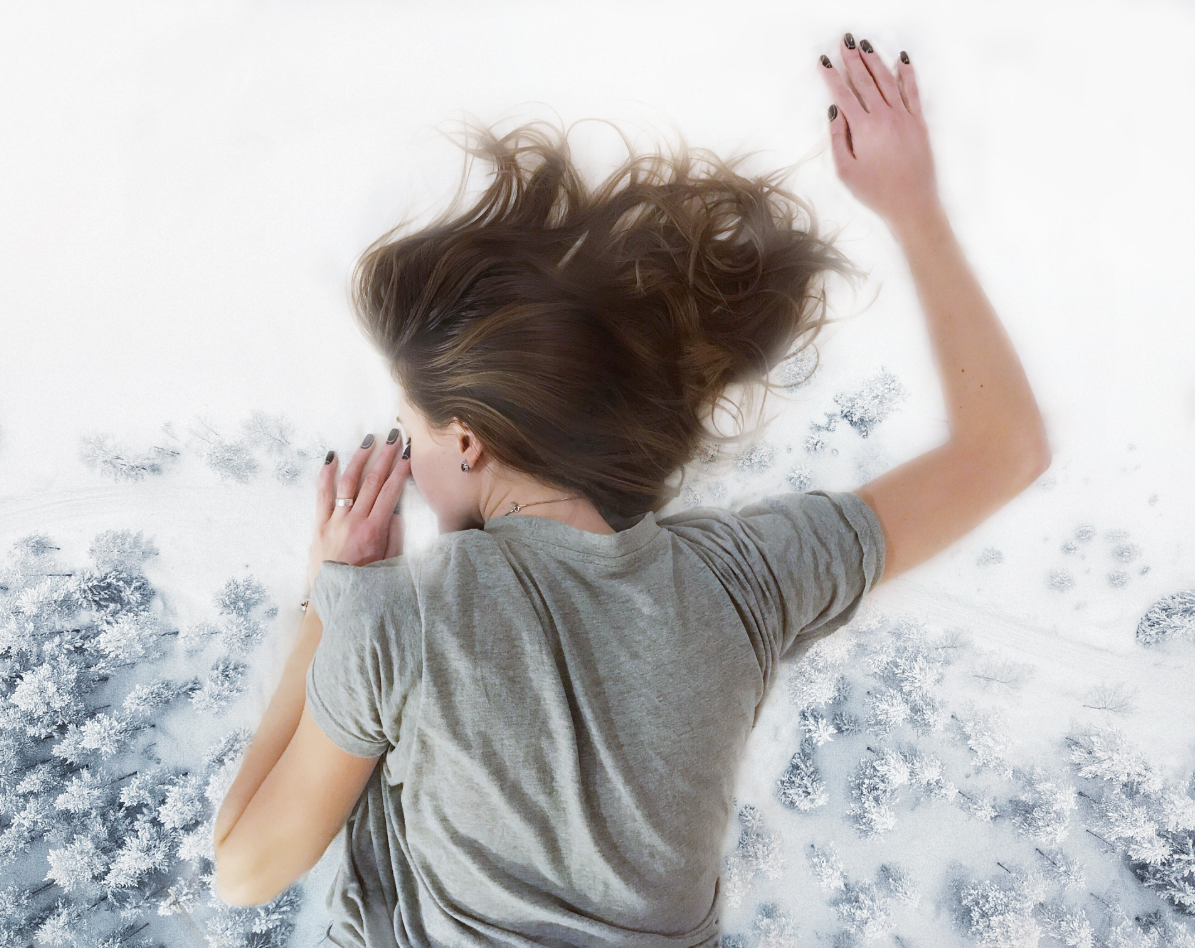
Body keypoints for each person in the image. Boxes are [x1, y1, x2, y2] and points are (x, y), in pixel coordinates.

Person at [211, 32, 1050, 947]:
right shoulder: (742, 581)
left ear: (470, 440)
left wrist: (329, 597)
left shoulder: (398, 620)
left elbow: (245, 870)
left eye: (412, 435)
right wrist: (913, 208)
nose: (407, 464)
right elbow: (1006, 451)